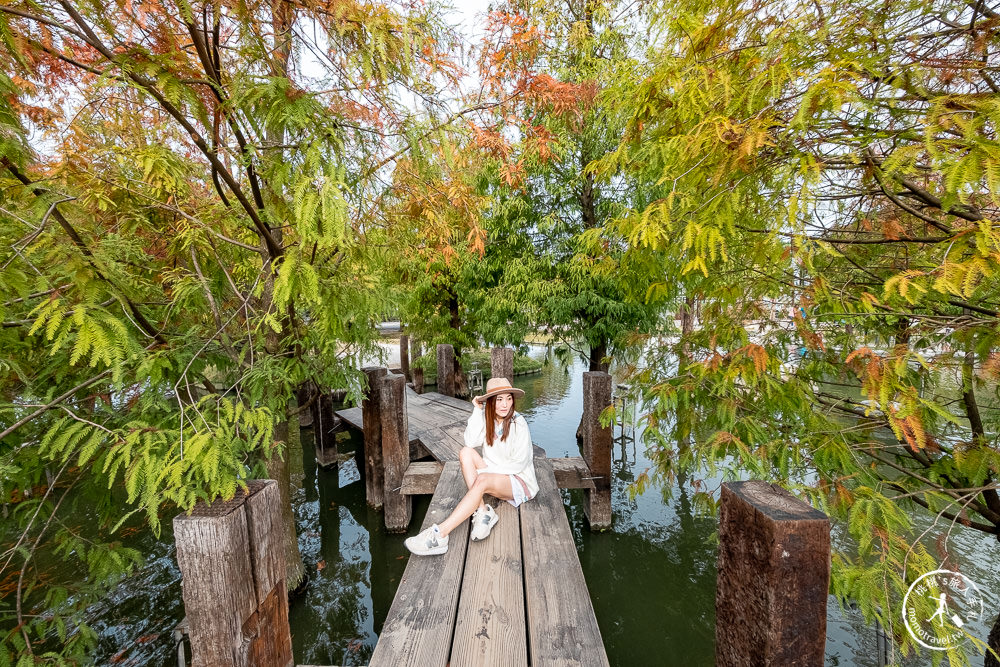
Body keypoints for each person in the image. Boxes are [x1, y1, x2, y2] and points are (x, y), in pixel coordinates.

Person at [404, 377, 539, 556]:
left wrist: (485, 473)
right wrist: (477, 410)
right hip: (494, 477)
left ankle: (441, 534)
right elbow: (470, 441)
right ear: (490, 402)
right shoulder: (487, 418)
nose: (505, 404)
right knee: (465, 452)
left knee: (482, 480)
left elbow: (519, 463)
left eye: (508, 398)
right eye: (499, 399)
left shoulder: (518, 423)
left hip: (519, 481)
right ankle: (483, 511)